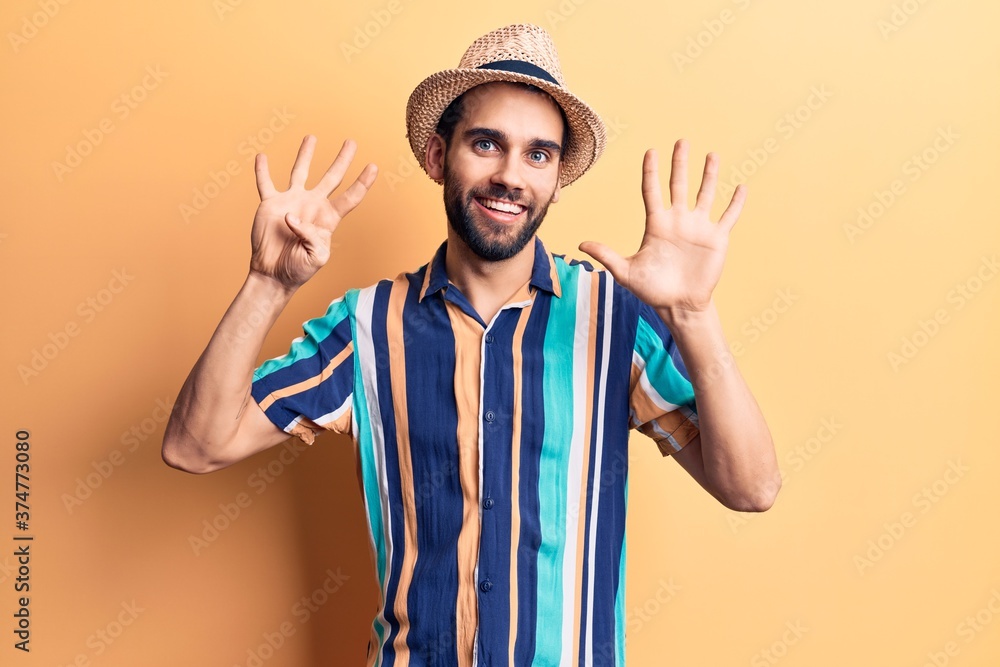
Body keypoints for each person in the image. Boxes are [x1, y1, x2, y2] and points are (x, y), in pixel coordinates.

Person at [163, 23, 780, 667]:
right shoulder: (367, 325)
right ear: (438, 157)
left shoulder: (614, 317)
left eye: (538, 155)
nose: (510, 175)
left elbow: (752, 487)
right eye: (487, 144)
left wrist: (692, 315)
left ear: (556, 180)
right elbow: (194, 446)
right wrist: (267, 285)